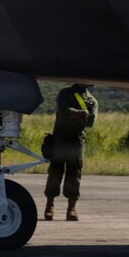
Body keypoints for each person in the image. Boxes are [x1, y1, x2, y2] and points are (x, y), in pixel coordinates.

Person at [43, 83, 98, 221]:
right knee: (55, 172)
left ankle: (71, 209)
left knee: (74, 174)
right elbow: (64, 111)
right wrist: (82, 113)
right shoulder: (65, 93)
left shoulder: (92, 100)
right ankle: (50, 206)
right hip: (60, 138)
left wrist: (74, 114)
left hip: (77, 140)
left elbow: (90, 122)